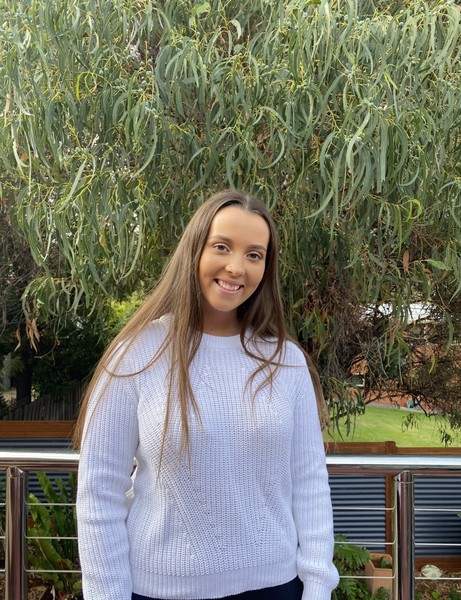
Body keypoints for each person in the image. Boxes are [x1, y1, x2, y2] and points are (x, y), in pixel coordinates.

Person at [75, 189, 339, 600]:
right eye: (222, 246)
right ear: (195, 250)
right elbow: (99, 491)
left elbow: (310, 482)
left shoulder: (285, 361)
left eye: (254, 254)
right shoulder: (137, 353)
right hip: (158, 591)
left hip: (276, 588)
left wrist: (318, 587)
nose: (236, 267)